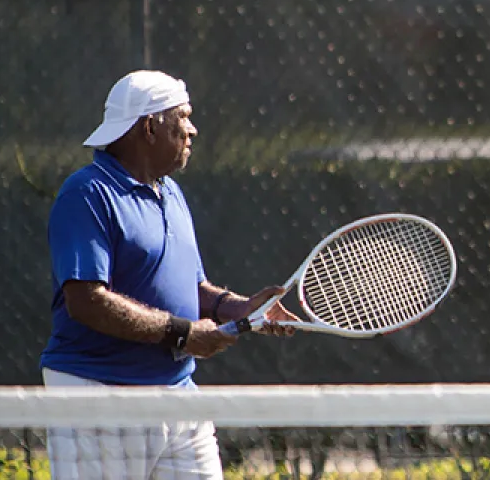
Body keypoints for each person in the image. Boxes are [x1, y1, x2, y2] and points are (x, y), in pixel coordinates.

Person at [41, 70, 298, 479]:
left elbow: (190, 287)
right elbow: (86, 301)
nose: (192, 130)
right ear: (149, 127)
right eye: (184, 117)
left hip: (178, 394)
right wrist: (182, 334)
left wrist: (240, 308)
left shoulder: (171, 193)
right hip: (99, 395)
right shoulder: (87, 194)